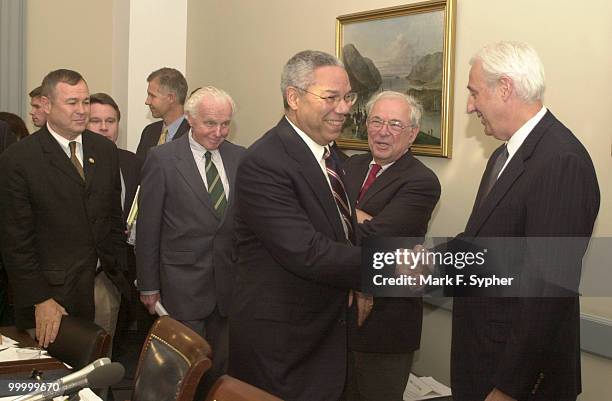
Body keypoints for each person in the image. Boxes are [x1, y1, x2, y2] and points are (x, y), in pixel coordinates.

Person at [449, 41, 600, 401]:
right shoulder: (504, 156)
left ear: (504, 88)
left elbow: (549, 289)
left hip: (517, 383)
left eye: (474, 93)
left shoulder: (561, 161)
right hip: (482, 363)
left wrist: (509, 388)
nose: (470, 106)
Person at [228, 50, 370, 401]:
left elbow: (338, 233)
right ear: (293, 97)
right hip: (284, 348)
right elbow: (307, 251)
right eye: (331, 97)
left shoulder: (331, 155)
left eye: (348, 96)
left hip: (326, 334)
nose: (344, 108)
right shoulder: (265, 162)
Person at [0, 69, 129, 348]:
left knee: (99, 376)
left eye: (85, 102)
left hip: (102, 285)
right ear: (46, 105)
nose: (82, 110)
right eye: (72, 103)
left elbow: (112, 217)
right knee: (55, 382)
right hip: (51, 300)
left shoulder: (104, 151)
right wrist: (40, 298)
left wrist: (117, 271)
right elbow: (15, 241)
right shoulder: (19, 159)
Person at [137, 86, 245, 391]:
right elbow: (148, 228)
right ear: (190, 119)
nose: (219, 132)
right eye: (210, 123)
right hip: (181, 286)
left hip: (229, 288)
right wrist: (148, 285)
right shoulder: (163, 159)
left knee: (219, 372)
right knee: (183, 374)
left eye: (225, 124)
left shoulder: (240, 157)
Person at [343, 91, 440, 401]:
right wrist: (358, 219)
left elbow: (378, 237)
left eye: (395, 124)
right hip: (337, 319)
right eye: (376, 121)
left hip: (386, 326)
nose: (383, 131)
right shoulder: (350, 167)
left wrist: (341, 214)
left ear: (412, 133)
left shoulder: (421, 181)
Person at [87, 93, 141, 351]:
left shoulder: (132, 162)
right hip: (76, 274)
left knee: (105, 351)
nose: (104, 127)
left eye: (111, 120)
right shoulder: (71, 164)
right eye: (95, 120)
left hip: (116, 272)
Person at [136, 67, 190, 159]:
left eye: (152, 96)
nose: (147, 101)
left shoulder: (192, 134)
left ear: (171, 98)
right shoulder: (149, 132)